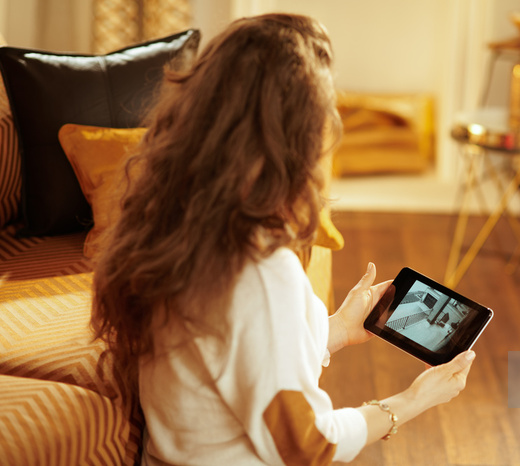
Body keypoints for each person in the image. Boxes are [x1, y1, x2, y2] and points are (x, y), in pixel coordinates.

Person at [91, 13, 476, 465]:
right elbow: (311, 445)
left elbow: (235, 356)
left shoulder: (180, 225)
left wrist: (335, 330)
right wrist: (411, 402)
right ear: (295, 140)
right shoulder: (260, 271)